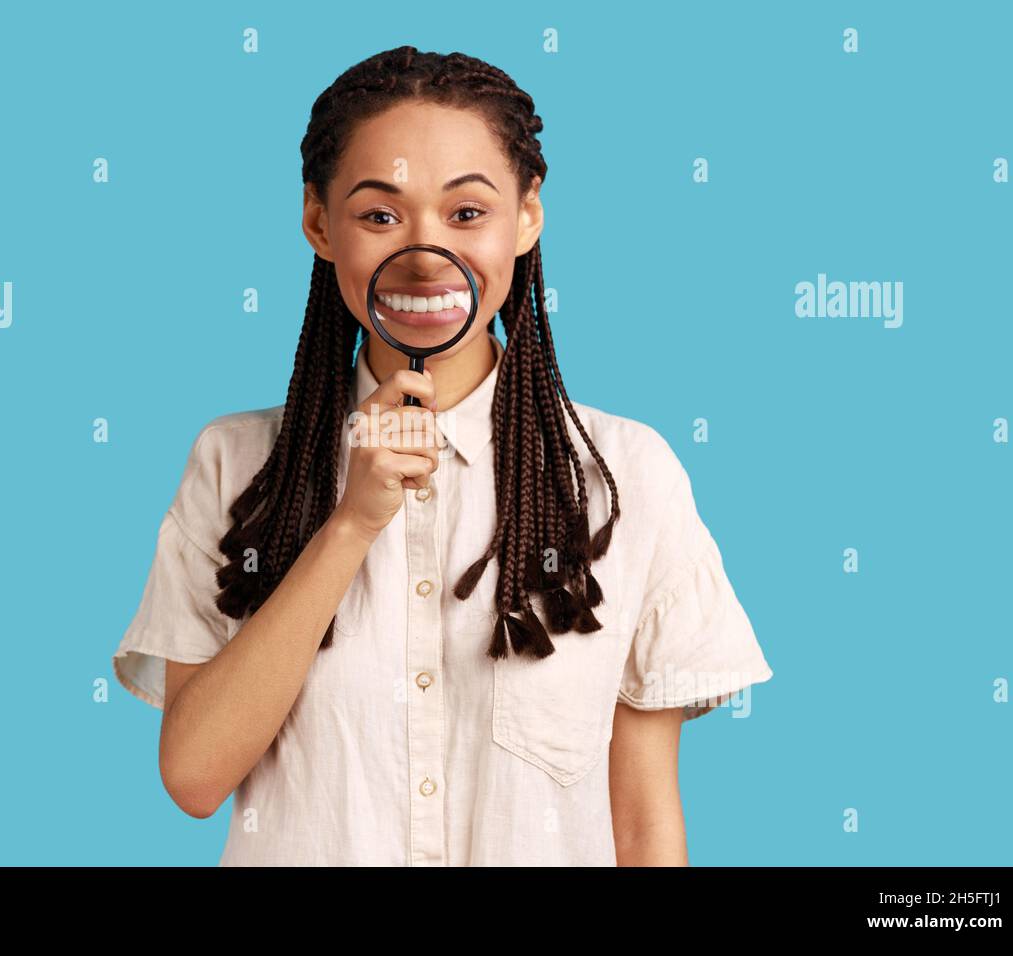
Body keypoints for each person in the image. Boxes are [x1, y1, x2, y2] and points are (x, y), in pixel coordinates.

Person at [112, 46, 773, 866]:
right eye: (379, 216)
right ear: (319, 223)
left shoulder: (627, 475)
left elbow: (642, 824)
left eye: (467, 214)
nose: (425, 253)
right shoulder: (234, 461)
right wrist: (351, 524)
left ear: (527, 215)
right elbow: (194, 775)